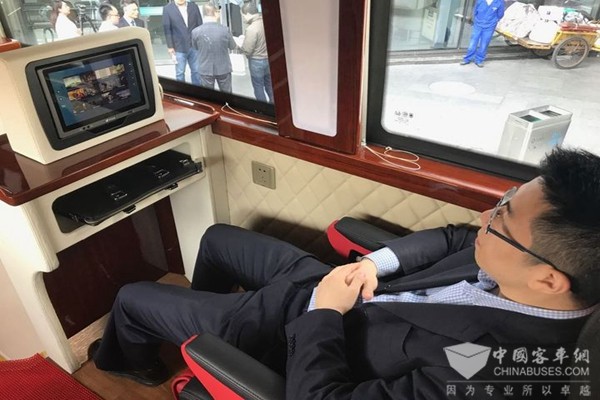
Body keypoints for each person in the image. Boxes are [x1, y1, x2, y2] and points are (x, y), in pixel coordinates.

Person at [91, 148, 600, 398]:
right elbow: (450, 237)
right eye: (503, 199)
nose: (485, 216)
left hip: (303, 335)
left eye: (501, 218)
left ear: (549, 280)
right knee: (217, 237)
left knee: (133, 297)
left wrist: (325, 313)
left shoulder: (491, 375)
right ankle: (214, 321)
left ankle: (138, 362)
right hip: (342, 286)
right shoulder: (524, 266)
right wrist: (373, 263)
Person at [190, 3, 236, 92]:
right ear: (215, 13)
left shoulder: (195, 32)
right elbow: (232, 46)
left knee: (208, 95)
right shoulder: (225, 30)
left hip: (205, 68)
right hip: (223, 67)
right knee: (227, 94)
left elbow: (195, 47)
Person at [162, 0, 203, 86]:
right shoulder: (167, 9)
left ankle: (197, 92)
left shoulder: (194, 7)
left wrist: (201, 42)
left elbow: (200, 25)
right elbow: (167, 29)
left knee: (196, 71)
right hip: (178, 47)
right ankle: (181, 91)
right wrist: (170, 46)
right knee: (180, 73)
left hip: (194, 45)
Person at [239, 2, 273, 103]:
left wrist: (241, 45)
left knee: (258, 87)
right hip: (269, 60)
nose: (244, 18)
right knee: (269, 85)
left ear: (248, 14)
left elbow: (247, 50)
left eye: (243, 15)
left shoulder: (251, 29)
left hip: (256, 62)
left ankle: (263, 109)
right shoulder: (268, 23)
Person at [460, 0, 505, 67]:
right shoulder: (480, 0)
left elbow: (500, 15)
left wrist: (493, 21)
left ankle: (479, 60)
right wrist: (477, 20)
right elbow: (475, 11)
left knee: (484, 43)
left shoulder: (499, 2)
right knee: (473, 42)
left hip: (489, 27)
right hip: (478, 25)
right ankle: (467, 59)